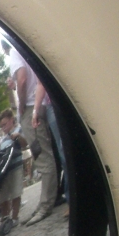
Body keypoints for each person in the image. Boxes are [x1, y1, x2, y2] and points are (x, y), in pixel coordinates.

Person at [8, 42, 57, 224]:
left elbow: (22, 79)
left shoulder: (14, 53)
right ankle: (44, 202)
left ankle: (46, 205)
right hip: (38, 104)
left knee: (42, 157)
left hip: (30, 108)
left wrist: (21, 106)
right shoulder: (25, 51)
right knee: (44, 155)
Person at [33, 82, 69, 217]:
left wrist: (35, 111)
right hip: (53, 102)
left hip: (53, 103)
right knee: (64, 153)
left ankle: (74, 199)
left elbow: (41, 83)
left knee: (64, 154)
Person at [0, 109, 27, 227]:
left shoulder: (18, 130)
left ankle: (14, 217)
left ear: (11, 120)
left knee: (16, 192)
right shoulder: (3, 138)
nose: (3, 128)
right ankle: (5, 217)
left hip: (16, 166)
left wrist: (18, 136)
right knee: (4, 195)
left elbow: (24, 144)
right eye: (1, 126)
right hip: (5, 169)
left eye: (5, 124)